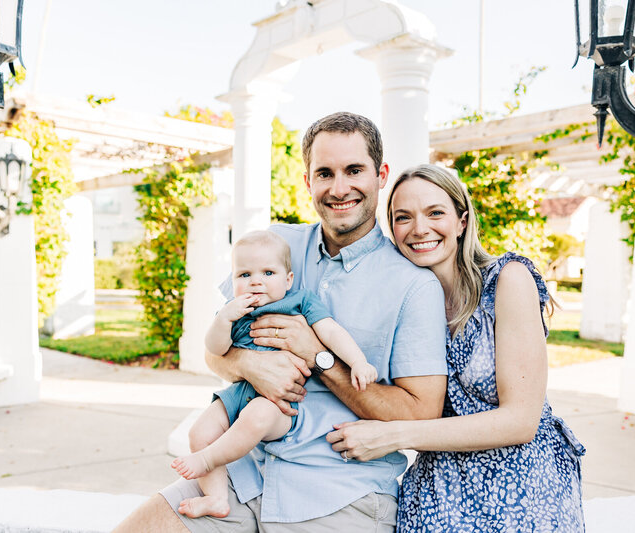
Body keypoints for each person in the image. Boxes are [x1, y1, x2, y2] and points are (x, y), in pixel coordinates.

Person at [113, 112, 448, 533]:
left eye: (354, 170)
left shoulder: (414, 285)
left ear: (380, 175)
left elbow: (422, 414)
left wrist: (319, 357)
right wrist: (248, 365)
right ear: (307, 182)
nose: (339, 187)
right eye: (324, 173)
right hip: (242, 471)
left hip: (341, 492)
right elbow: (216, 351)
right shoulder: (274, 246)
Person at [327, 164, 586, 532]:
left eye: (435, 213)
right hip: (437, 489)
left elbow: (521, 421)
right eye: (403, 218)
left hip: (522, 484)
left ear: (462, 221)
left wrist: (392, 436)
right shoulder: (404, 301)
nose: (419, 229)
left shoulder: (507, 280)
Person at [171, 229, 378, 519]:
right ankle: (216, 497)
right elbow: (215, 349)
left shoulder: (300, 301)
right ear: (233, 281)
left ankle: (207, 459)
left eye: (268, 272)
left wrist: (357, 361)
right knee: (199, 432)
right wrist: (224, 318)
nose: (255, 281)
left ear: (288, 279)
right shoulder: (235, 311)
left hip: (278, 402)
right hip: (240, 391)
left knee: (256, 417)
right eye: (244, 275)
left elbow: (330, 331)